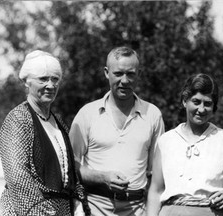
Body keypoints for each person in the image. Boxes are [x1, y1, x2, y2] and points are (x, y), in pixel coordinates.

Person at [69, 46, 165, 216]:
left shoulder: (153, 115)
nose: (125, 80)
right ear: (107, 73)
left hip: (137, 209)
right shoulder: (87, 113)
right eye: (118, 73)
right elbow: (70, 166)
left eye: (131, 74)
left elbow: (157, 176)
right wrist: (103, 178)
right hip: (94, 207)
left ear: (139, 74)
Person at [146, 73, 223, 216]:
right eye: (196, 101)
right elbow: (156, 191)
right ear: (185, 101)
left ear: (214, 106)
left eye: (207, 103)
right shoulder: (166, 141)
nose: (201, 109)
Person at [0, 50, 90, 216]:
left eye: (55, 79)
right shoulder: (18, 119)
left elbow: (70, 175)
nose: (50, 85)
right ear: (28, 82)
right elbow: (18, 178)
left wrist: (78, 205)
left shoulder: (59, 122)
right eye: (43, 79)